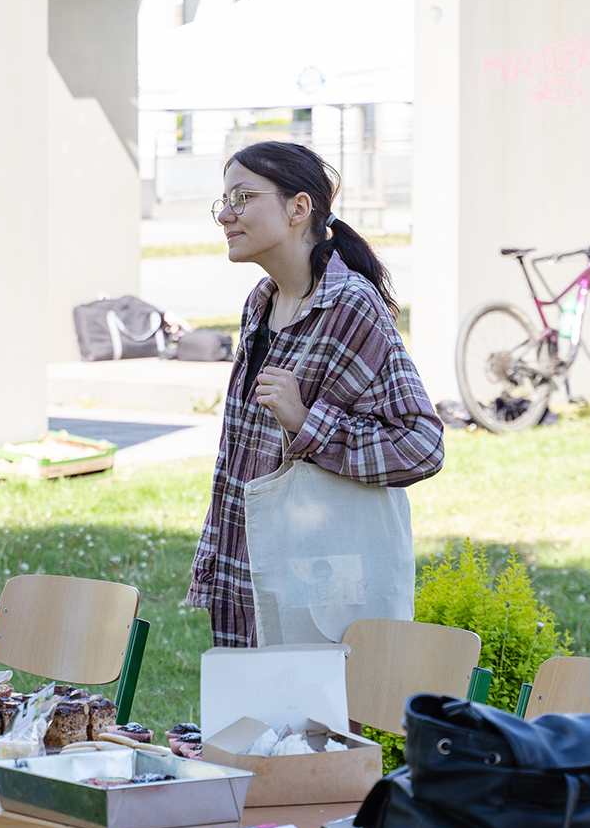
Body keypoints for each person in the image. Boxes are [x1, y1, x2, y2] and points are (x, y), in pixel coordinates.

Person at [189, 141, 444, 647]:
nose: (225, 215)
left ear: (298, 208)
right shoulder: (260, 304)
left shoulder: (350, 306)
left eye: (243, 198)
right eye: (223, 201)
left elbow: (421, 444)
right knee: (251, 700)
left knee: (313, 699)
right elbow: (241, 456)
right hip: (251, 567)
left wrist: (307, 423)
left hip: (315, 581)